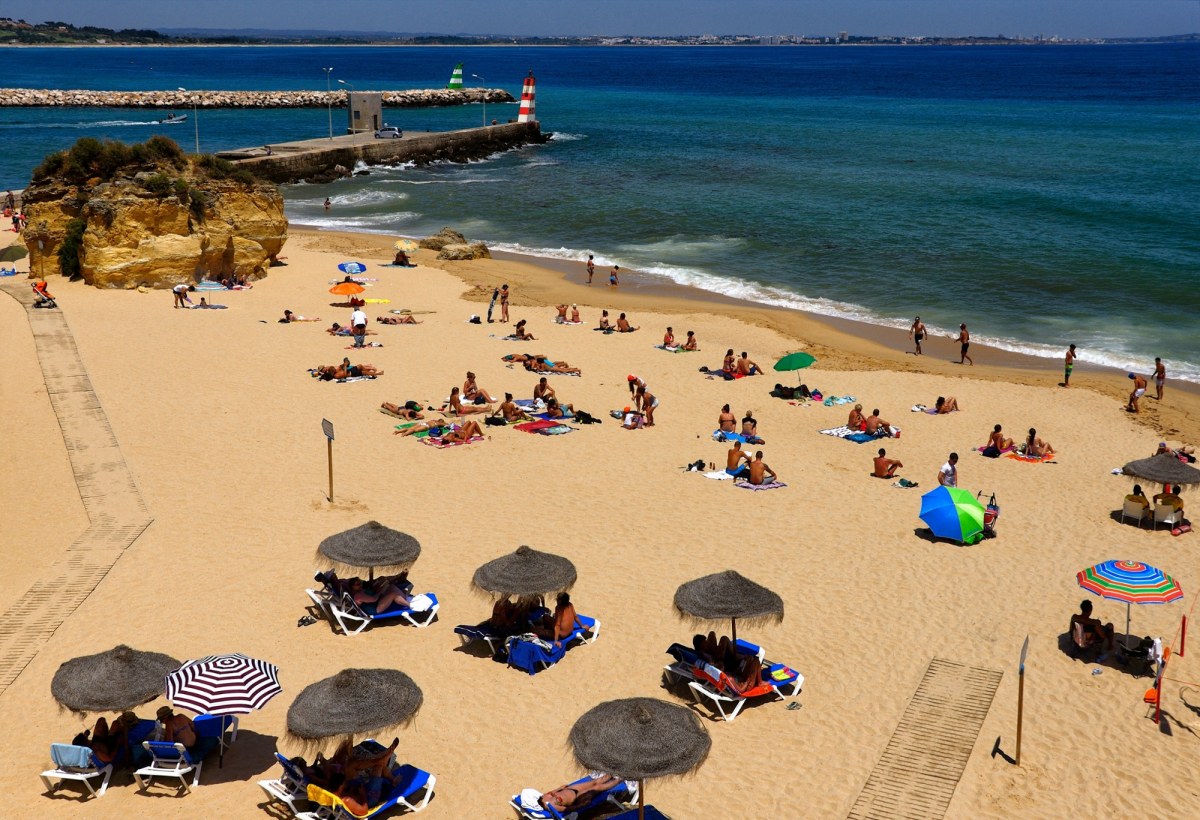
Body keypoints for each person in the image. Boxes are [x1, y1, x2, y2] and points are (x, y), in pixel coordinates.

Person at [540, 773, 625, 813]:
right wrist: (582, 805)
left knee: (595, 782)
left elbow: (555, 790)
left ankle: (612, 772)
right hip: (577, 797)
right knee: (597, 787)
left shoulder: (544, 797)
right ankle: (620, 779)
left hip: (570, 789)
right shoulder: (550, 806)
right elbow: (568, 809)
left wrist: (561, 788)